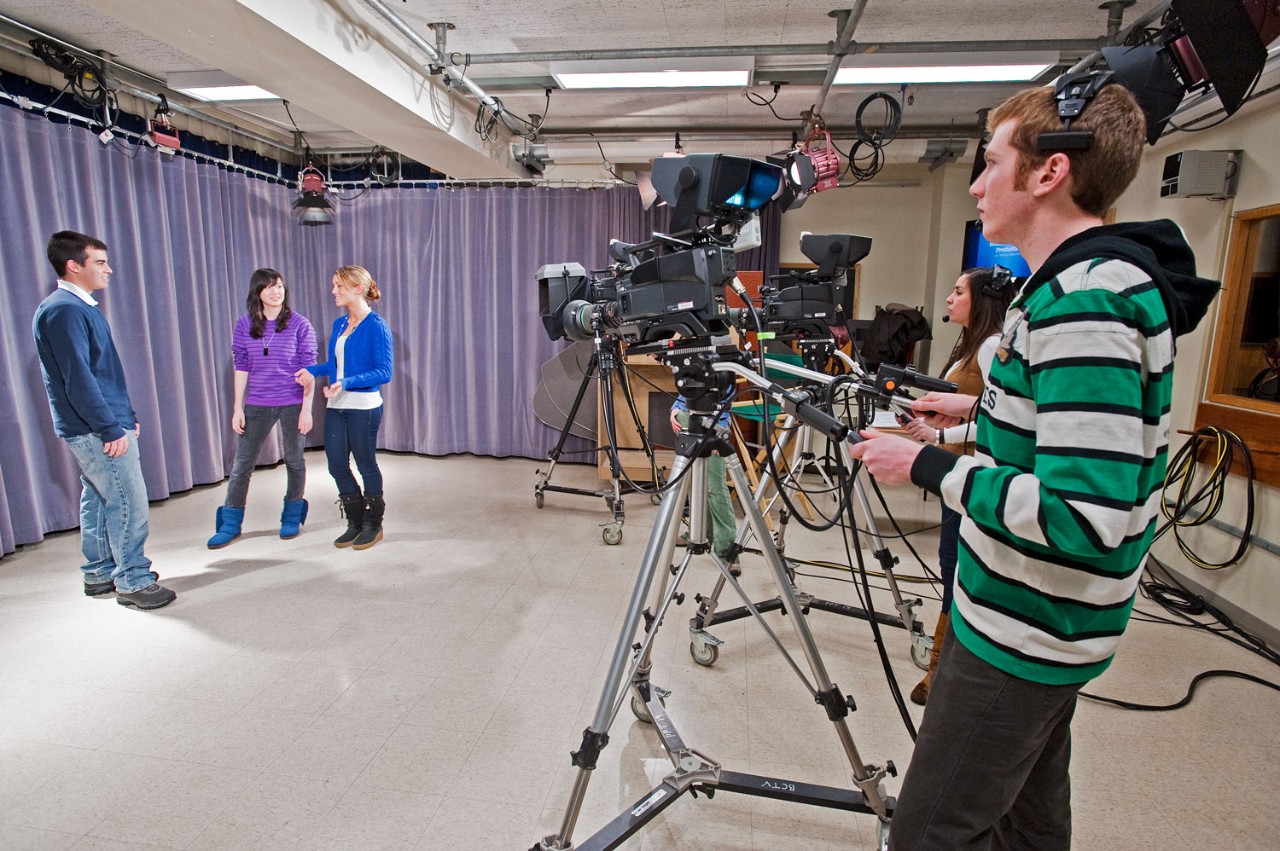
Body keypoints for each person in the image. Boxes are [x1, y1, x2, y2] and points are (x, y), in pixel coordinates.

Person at [848, 75, 1217, 849]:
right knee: (1029, 824)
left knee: (932, 832)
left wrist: (925, 468)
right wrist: (973, 413)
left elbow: (1085, 516)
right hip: (1041, 625)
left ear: (1049, 172)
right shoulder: (1074, 288)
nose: (978, 184)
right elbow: (1060, 431)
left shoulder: (1089, 302)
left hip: (1024, 633)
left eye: (989, 163)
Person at [32, 231, 177, 611]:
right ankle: (132, 579)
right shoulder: (64, 309)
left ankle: (99, 572)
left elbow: (102, 372)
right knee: (127, 499)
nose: (109, 269)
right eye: (100, 262)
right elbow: (78, 378)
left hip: (101, 422)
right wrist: (111, 427)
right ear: (73, 265)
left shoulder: (77, 306)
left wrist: (125, 416)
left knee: (98, 497)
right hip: (96, 428)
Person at [898, 266, 1017, 705]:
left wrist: (941, 436)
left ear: (981, 300)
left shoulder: (989, 347)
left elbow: (1003, 417)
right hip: (958, 473)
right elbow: (979, 412)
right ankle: (943, 665)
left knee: (956, 567)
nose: (950, 298)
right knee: (952, 564)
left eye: (958, 291)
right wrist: (937, 433)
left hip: (973, 477)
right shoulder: (973, 345)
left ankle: (940, 672)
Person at [207, 269, 318, 548]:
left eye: (280, 286)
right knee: (242, 464)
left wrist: (307, 409)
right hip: (257, 402)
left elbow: (310, 369)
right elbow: (241, 366)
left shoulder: (300, 324)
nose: (276, 291)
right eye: (269, 287)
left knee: (294, 460)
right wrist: (237, 408)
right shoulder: (244, 325)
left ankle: (291, 516)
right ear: (258, 292)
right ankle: (231, 523)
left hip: (293, 401)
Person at [295, 265, 393, 550]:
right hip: (337, 405)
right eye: (334, 285)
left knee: (366, 465)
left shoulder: (377, 326)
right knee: (336, 465)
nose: (334, 291)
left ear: (357, 289)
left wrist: (348, 381)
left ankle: (373, 524)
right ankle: (355, 520)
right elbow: (334, 366)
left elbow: (384, 372)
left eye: (339, 286)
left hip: (364, 407)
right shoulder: (339, 324)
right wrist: (313, 370)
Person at [670, 394, 739, 575]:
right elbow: (686, 389)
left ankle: (727, 550)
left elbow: (723, 394)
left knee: (715, 489)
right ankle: (699, 532)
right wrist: (674, 410)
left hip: (713, 425)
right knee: (694, 483)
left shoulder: (723, 367)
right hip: (686, 420)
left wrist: (720, 430)